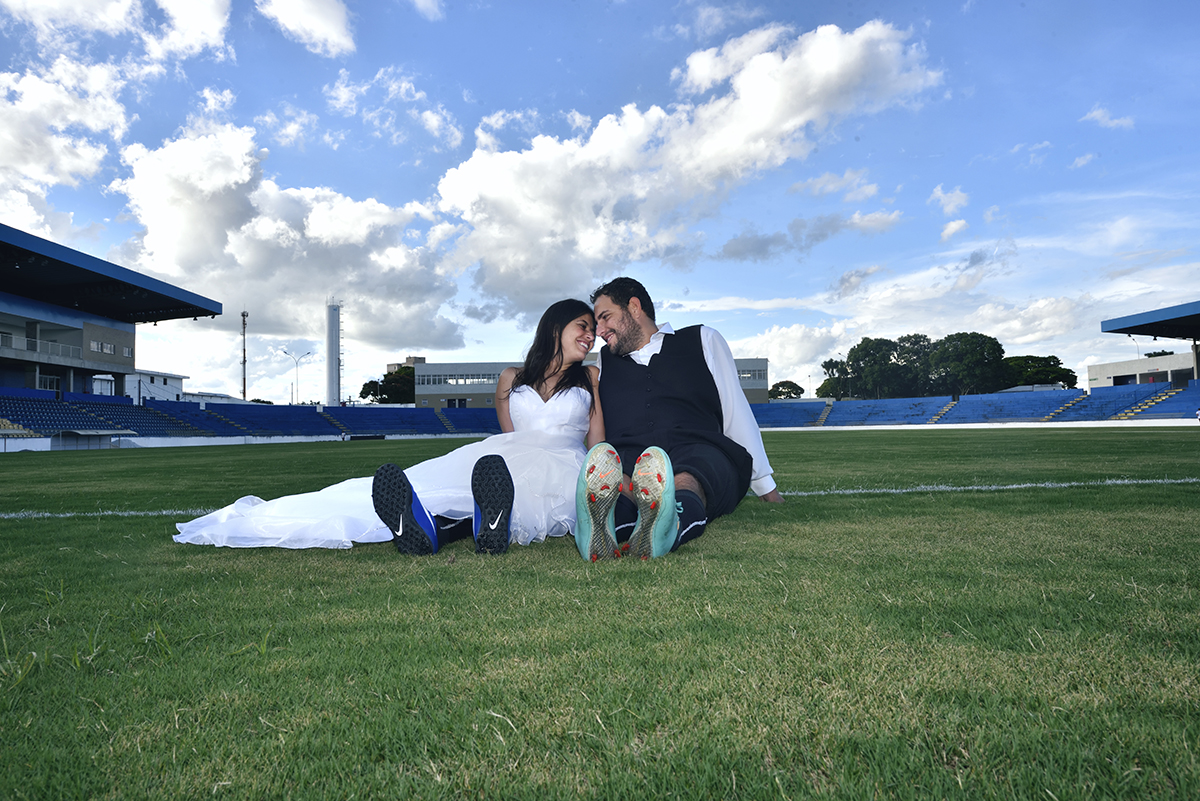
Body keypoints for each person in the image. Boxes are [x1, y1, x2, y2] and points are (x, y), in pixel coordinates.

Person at [174, 299, 604, 553]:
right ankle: (439, 525)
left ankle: (472, 527)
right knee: (450, 486)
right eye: (582, 327)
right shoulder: (511, 378)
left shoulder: (590, 376)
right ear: (555, 327)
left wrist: (603, 478)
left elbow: (597, 441)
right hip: (506, 456)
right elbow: (511, 436)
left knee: (522, 497)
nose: (590, 337)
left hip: (566, 463)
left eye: (593, 332)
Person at [574, 277, 783, 561]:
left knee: (687, 479)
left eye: (605, 317)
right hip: (630, 457)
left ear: (634, 307)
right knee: (621, 483)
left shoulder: (703, 340)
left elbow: (736, 411)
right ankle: (606, 527)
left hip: (699, 449)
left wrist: (765, 485)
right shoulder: (603, 363)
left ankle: (668, 526)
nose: (598, 331)